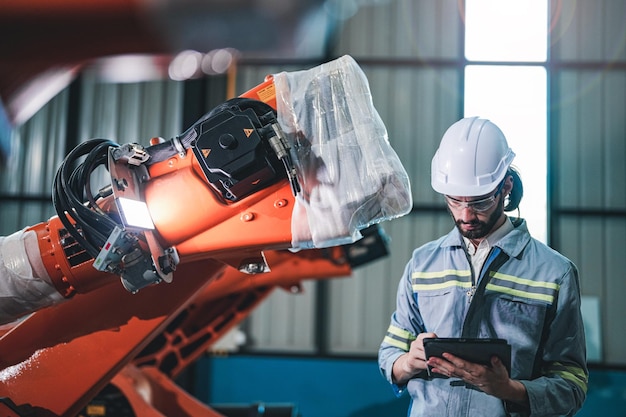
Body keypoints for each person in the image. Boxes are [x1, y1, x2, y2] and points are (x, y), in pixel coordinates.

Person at [378, 116, 588, 416]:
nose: (466, 215)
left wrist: (509, 390)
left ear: (506, 188)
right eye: (454, 201)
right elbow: (390, 353)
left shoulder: (555, 273)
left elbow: (572, 383)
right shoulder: (422, 264)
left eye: (479, 202)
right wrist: (407, 363)